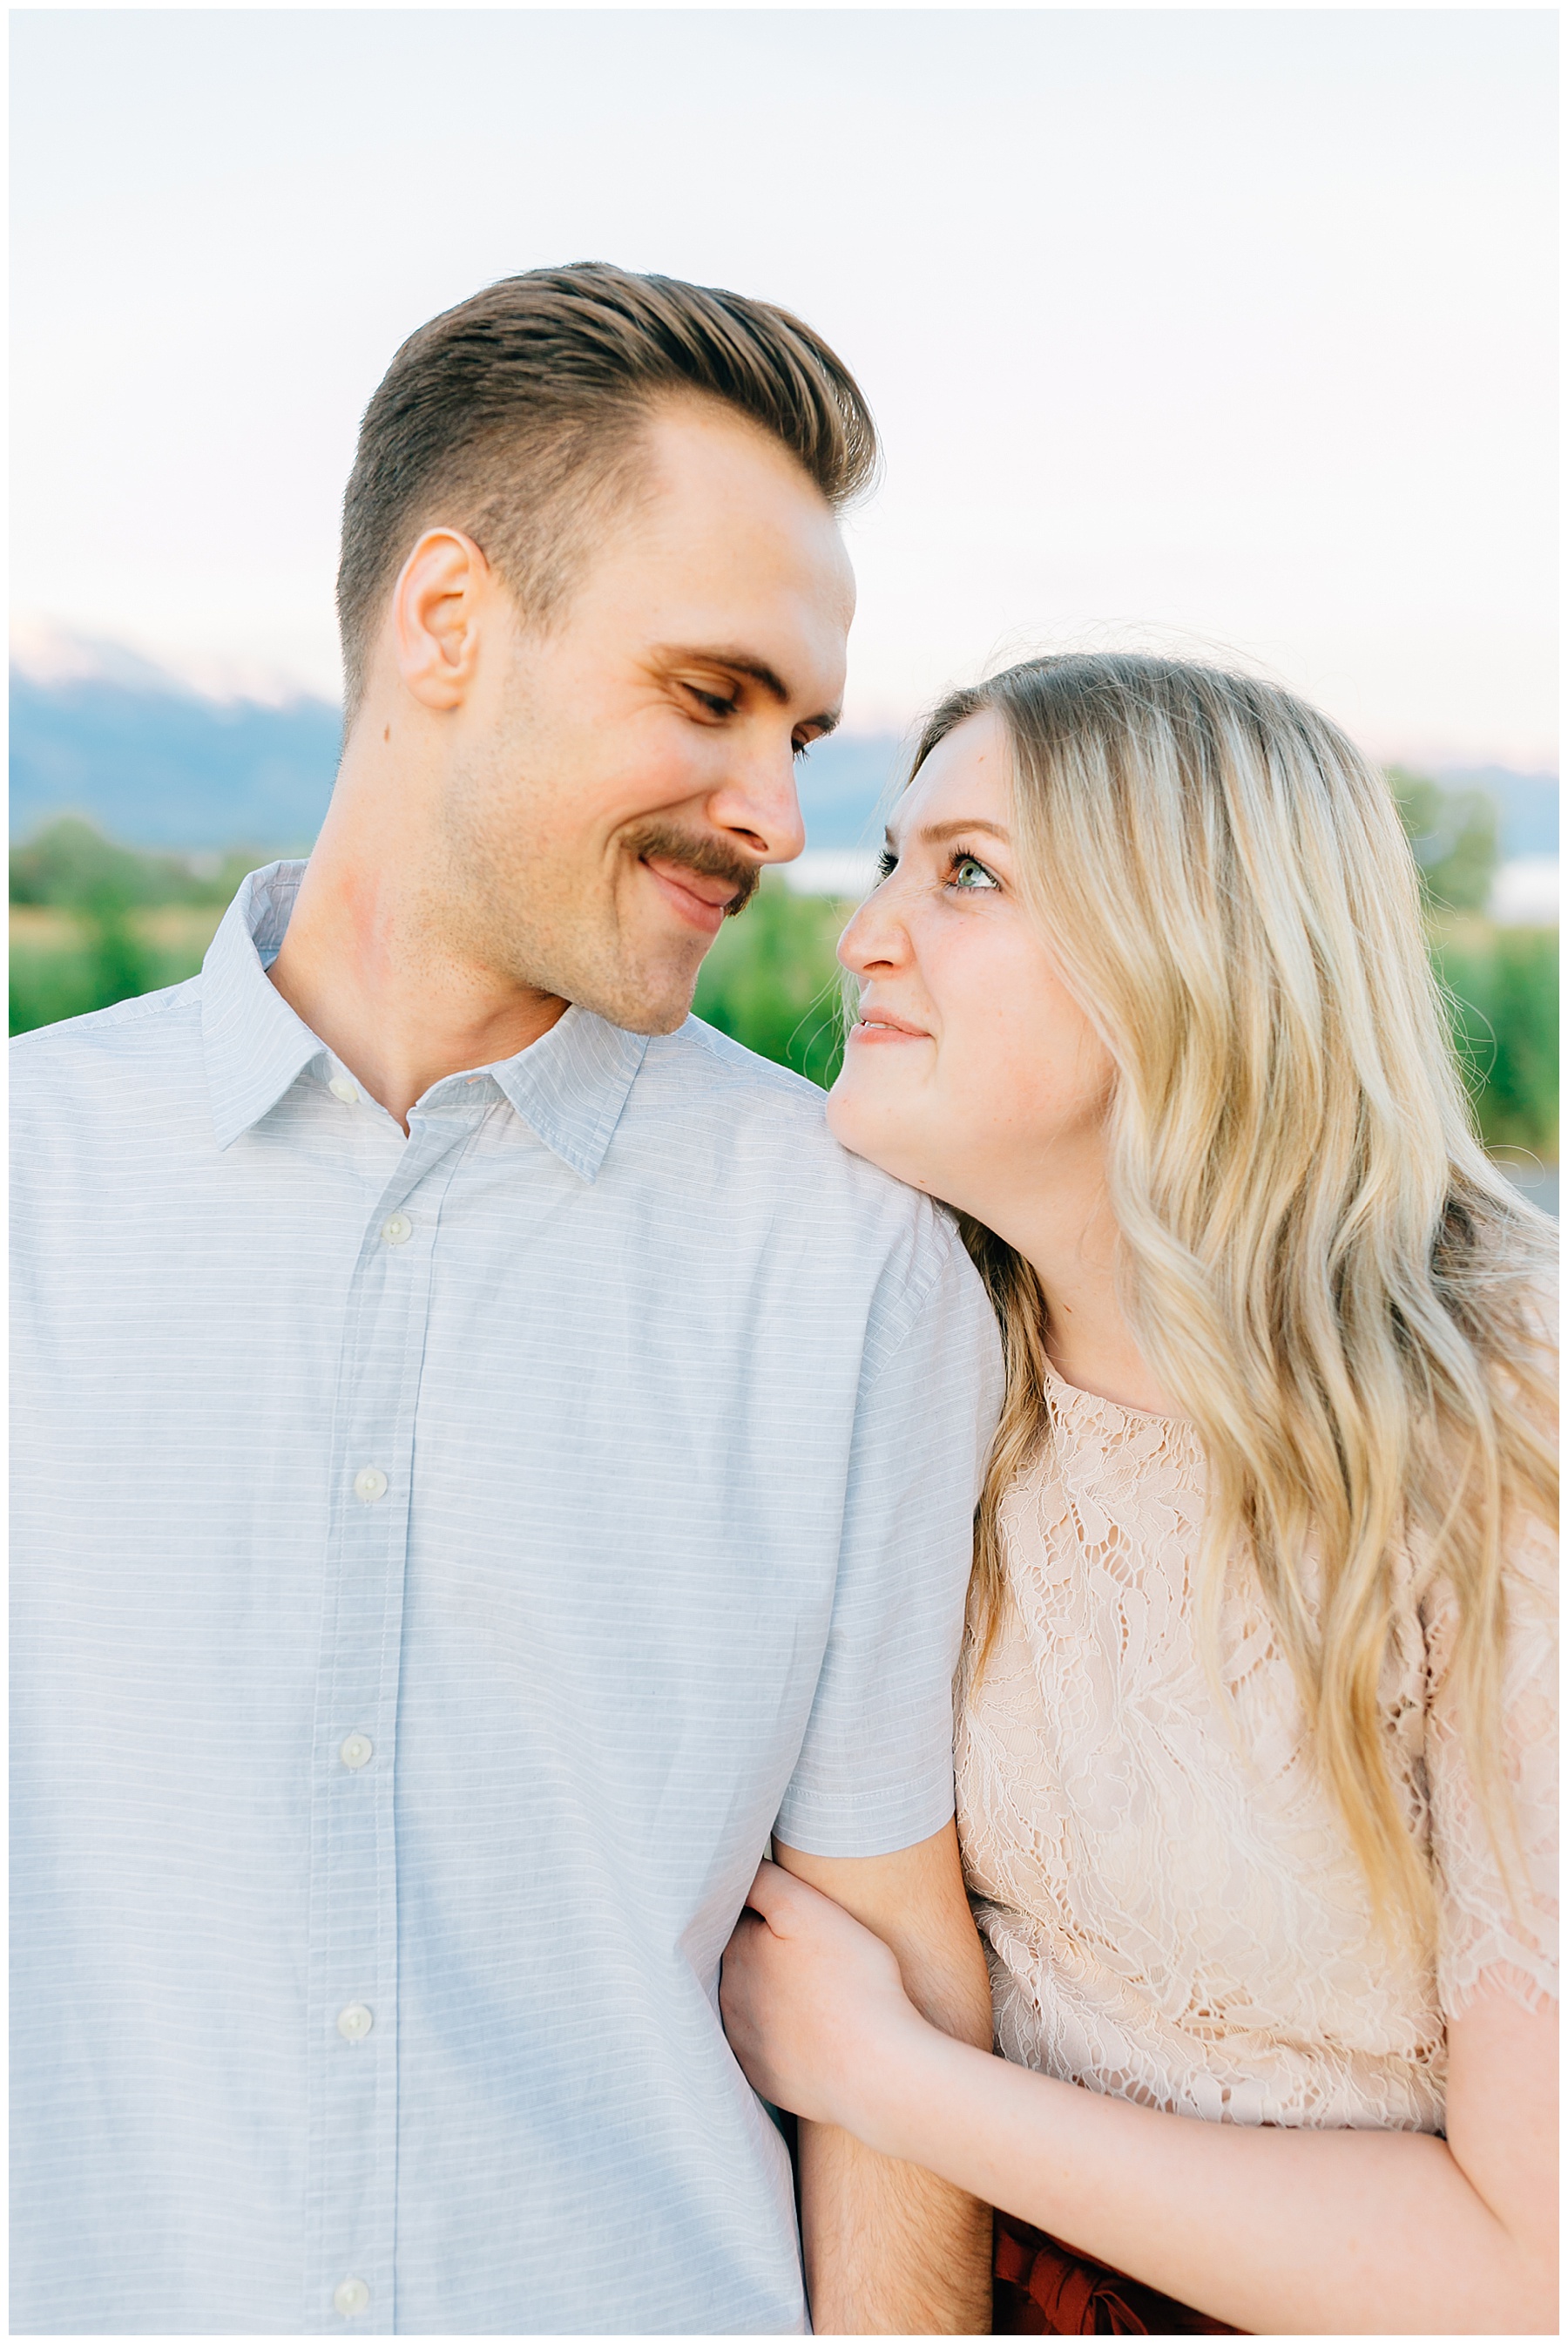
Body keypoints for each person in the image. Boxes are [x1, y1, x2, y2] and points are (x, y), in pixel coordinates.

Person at [11, 265, 1004, 2335]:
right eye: (711, 697)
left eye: (802, 735)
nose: (779, 818)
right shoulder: (30, 1190)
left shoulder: (853, 1260)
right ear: (449, 620)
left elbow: (893, 1995)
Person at [721, 654, 1558, 2336]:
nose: (863, 932)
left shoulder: (1500, 1415)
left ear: (1189, 952)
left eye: (968, 873)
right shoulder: (921, 1347)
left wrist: (881, 2073)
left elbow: (1532, 2270)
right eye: (891, 863)